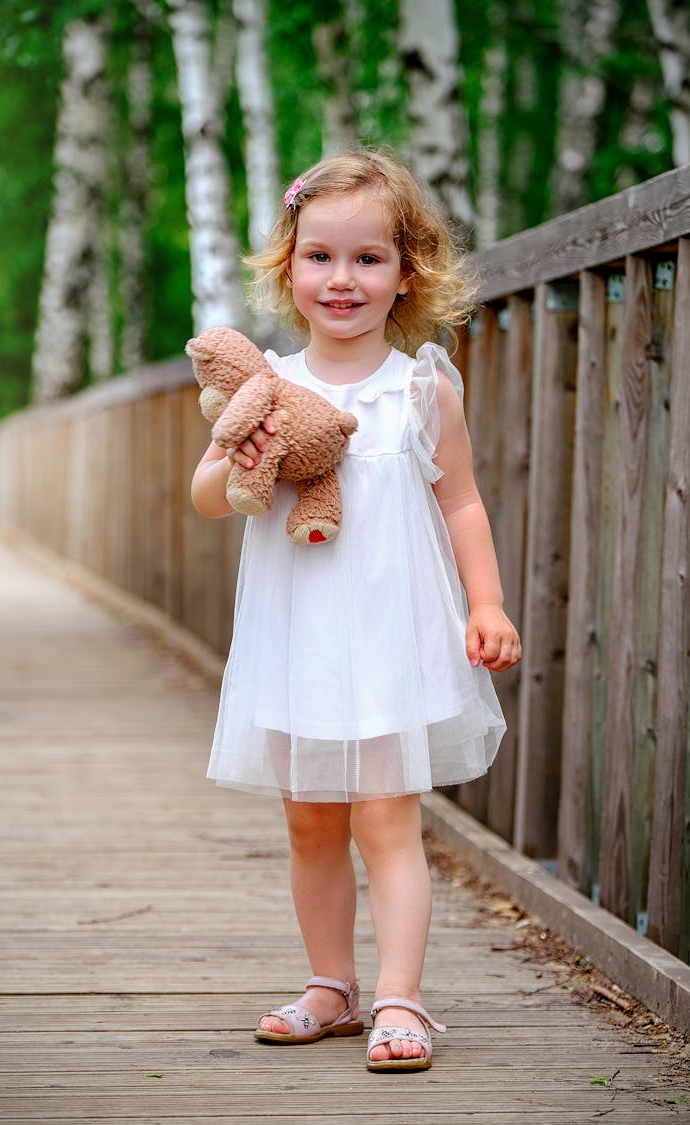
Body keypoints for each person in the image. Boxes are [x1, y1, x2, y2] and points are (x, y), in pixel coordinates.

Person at [191, 150, 521, 1072]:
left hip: (389, 635)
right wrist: (242, 453)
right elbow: (207, 496)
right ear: (289, 269)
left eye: (369, 258)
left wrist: (485, 602)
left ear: (407, 271)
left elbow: (461, 500)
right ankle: (331, 984)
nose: (343, 280)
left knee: (388, 817)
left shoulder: (420, 387)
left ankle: (400, 997)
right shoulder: (264, 386)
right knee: (310, 821)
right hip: (297, 638)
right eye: (322, 258)